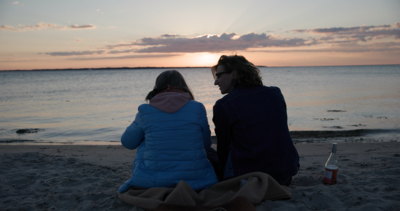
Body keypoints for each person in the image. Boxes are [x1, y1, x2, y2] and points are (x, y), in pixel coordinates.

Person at [118, 70, 218, 193]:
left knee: (146, 137)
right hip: (197, 180)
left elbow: (128, 143)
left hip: (153, 182)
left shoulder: (145, 110)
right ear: (183, 87)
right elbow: (206, 144)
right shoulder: (197, 108)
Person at [209, 55, 299, 186]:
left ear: (233, 73)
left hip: (252, 179)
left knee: (208, 153)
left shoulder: (224, 105)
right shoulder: (275, 93)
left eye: (219, 76)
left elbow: (223, 150)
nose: (216, 82)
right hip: (285, 174)